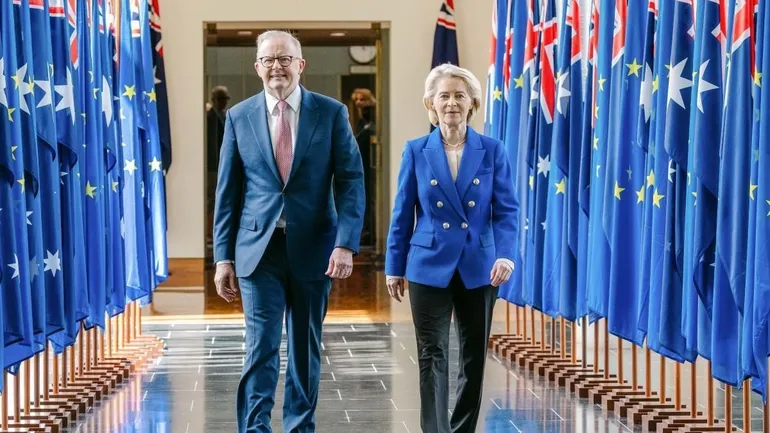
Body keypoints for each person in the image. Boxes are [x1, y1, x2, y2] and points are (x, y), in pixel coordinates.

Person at [212, 30, 366, 433]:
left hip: (314, 248)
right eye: (268, 59)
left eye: (285, 59)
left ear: (301, 65)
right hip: (257, 251)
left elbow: (351, 180)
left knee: (304, 349)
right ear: (257, 67)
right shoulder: (238, 116)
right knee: (260, 347)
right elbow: (227, 192)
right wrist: (222, 258)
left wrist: (346, 244)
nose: (276, 66)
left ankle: (300, 427)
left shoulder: (330, 113)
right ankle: (254, 428)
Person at [384, 63, 519, 433]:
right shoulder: (416, 150)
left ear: (473, 102)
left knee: (474, 358)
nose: (451, 103)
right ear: (430, 103)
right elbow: (402, 211)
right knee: (432, 354)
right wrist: (394, 265)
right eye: (443, 96)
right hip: (428, 265)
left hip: (480, 265)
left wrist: (506, 254)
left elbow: (507, 209)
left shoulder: (492, 150)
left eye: (459, 95)